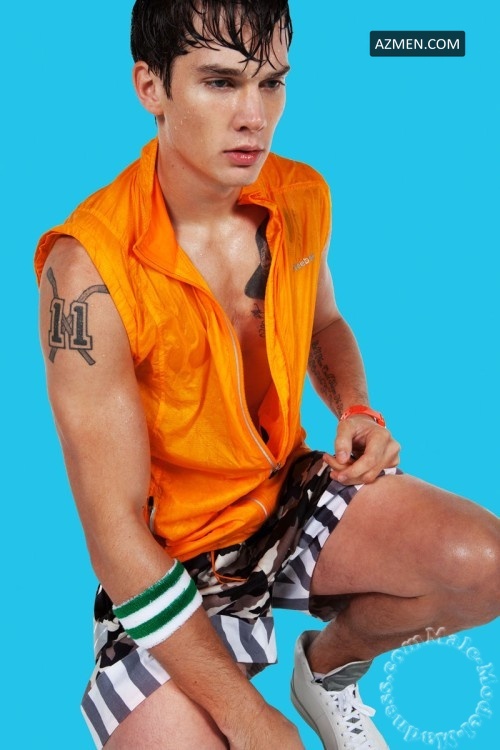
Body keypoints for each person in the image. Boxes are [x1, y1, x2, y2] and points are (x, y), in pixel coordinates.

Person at [35, 1, 500, 748]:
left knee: (485, 565)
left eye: (272, 82)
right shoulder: (88, 273)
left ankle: (327, 671)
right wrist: (250, 720)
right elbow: (115, 536)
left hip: (285, 495)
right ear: (151, 87)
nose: (254, 116)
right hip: (172, 560)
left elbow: (324, 326)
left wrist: (357, 409)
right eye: (221, 83)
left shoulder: (298, 194)